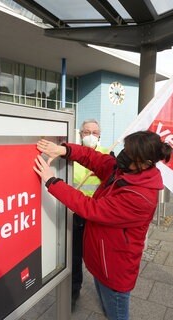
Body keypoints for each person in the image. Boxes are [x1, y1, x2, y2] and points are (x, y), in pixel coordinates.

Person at [34, 130, 172, 320]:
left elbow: (91, 208)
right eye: (125, 149)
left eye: (129, 154)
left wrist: (52, 181)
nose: (122, 156)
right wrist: (64, 150)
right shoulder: (124, 170)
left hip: (115, 269)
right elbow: (94, 158)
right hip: (102, 260)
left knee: (116, 314)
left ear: (145, 163)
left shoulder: (140, 196)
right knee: (108, 308)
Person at [72, 119, 108, 308]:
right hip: (76, 212)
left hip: (97, 214)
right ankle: (73, 292)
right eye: (87, 132)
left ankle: (105, 296)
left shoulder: (108, 154)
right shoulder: (72, 154)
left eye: (94, 132)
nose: (91, 136)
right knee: (74, 255)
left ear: (100, 134)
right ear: (80, 134)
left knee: (99, 257)